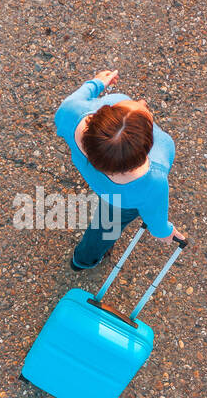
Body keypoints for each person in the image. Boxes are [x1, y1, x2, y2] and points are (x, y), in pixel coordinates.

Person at [53, 69, 185, 270]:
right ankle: (84, 259)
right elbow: (155, 215)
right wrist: (163, 232)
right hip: (120, 201)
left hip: (98, 179)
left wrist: (96, 83)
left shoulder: (71, 113)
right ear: (145, 152)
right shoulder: (152, 181)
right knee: (107, 226)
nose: (141, 103)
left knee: (103, 228)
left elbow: (78, 97)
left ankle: (82, 260)